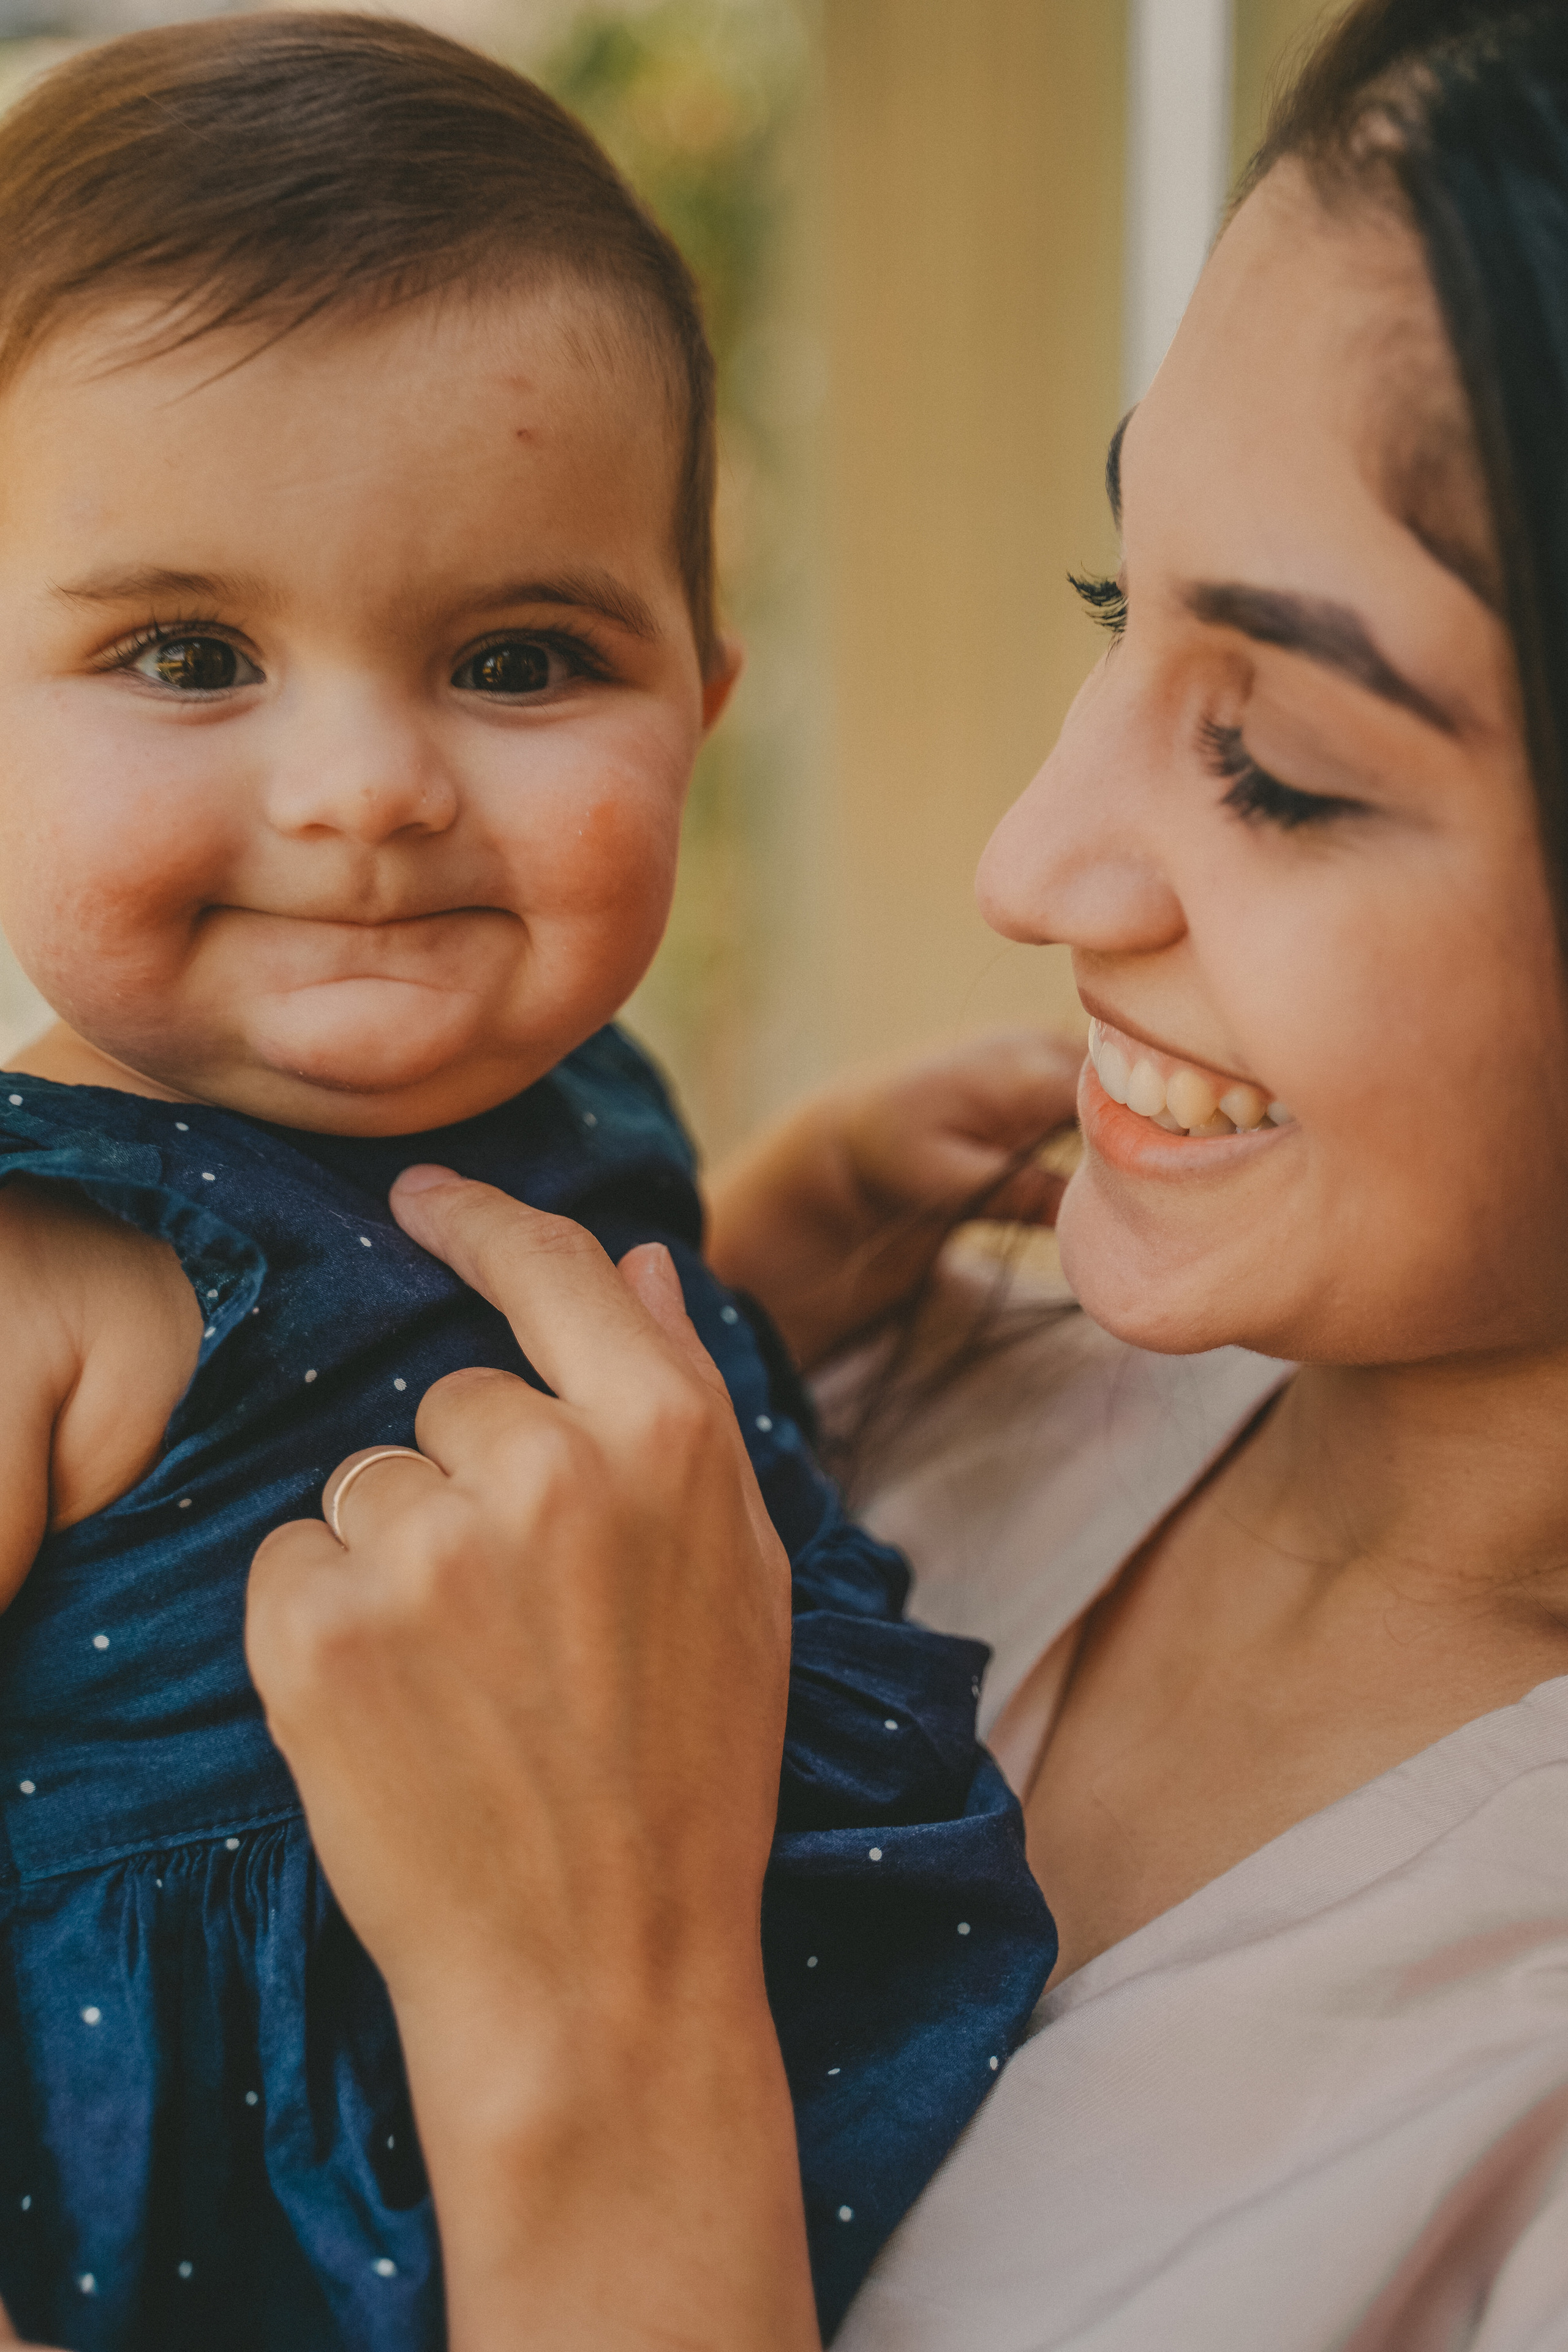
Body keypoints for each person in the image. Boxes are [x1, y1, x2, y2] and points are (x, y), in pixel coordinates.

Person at [238, 0, 1568, 2345]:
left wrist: (604, 2046)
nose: (1031, 860)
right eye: (1111, 607)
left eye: (1271, 761)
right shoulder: (876, 1370)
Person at [0, 18, 1074, 2347]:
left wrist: (795, 1228)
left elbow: (563, 1358)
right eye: (188, 652)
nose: (367, 782)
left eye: (515, 656)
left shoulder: (579, 1107)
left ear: (698, 697)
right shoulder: (43, 1260)